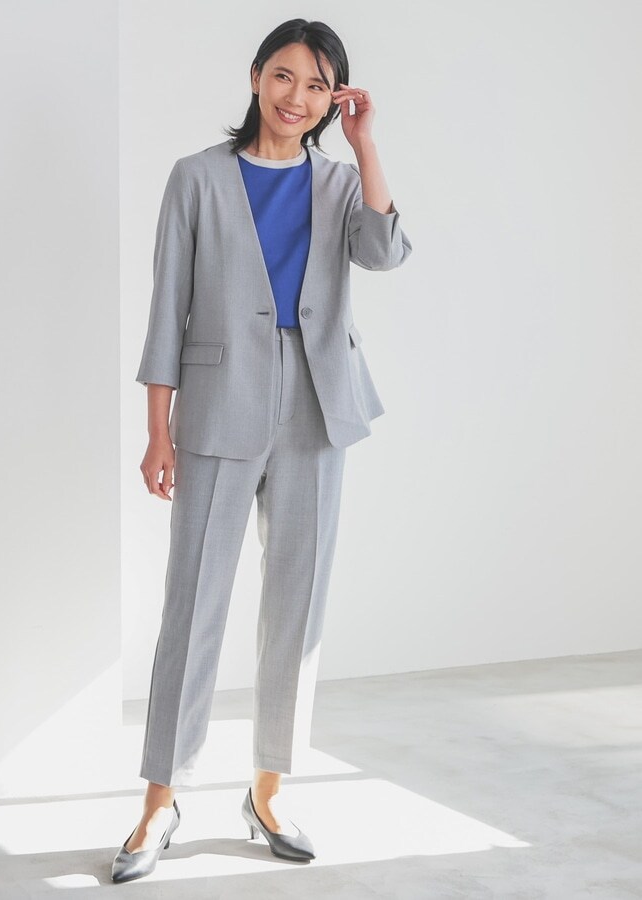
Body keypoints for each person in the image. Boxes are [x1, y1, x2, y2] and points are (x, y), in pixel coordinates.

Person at [112, 17, 412, 884]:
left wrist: (365, 144)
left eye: (317, 86)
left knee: (297, 606)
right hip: (218, 402)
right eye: (285, 76)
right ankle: (160, 800)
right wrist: (158, 429)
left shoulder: (339, 180)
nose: (297, 98)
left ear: (333, 99)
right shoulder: (197, 177)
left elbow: (385, 251)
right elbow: (167, 308)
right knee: (192, 603)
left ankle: (270, 791)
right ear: (255, 77)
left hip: (318, 404)